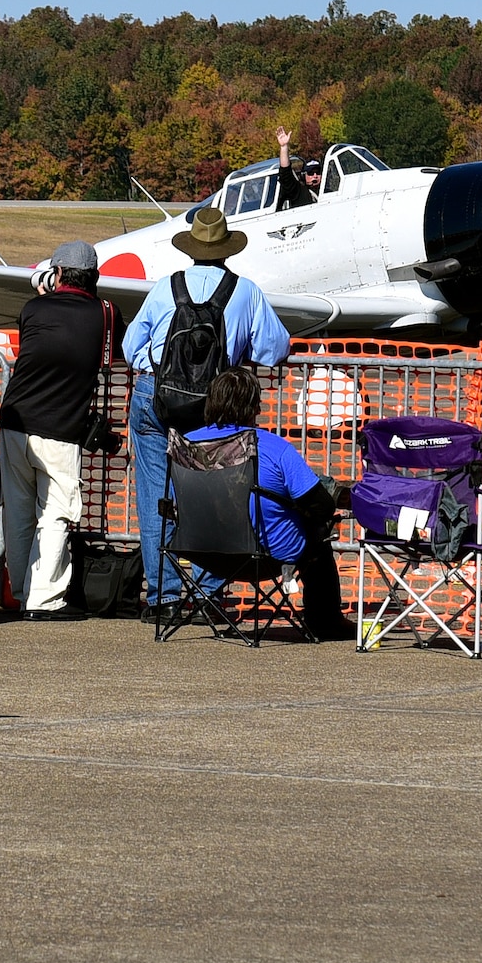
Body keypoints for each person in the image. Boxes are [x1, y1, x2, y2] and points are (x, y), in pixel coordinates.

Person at [122, 203, 292, 624]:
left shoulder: (166, 287)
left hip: (154, 396)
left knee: (154, 497)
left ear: (191, 248)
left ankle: (163, 597)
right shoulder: (245, 291)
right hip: (213, 407)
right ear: (227, 249)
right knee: (214, 498)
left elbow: (130, 348)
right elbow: (275, 349)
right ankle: (208, 593)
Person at [181, 368, 353, 638]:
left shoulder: (186, 445)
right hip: (266, 555)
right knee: (320, 532)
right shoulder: (274, 447)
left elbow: (173, 501)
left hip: (199, 550)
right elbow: (322, 504)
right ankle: (325, 621)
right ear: (254, 406)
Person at [0, 240, 109, 621]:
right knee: (57, 513)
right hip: (62, 428)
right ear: (94, 277)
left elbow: (37, 331)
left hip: (15, 420)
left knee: (18, 510)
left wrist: (46, 294)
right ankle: (43, 599)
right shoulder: (104, 313)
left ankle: (20, 589)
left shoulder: (33, 309)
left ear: (58, 273)